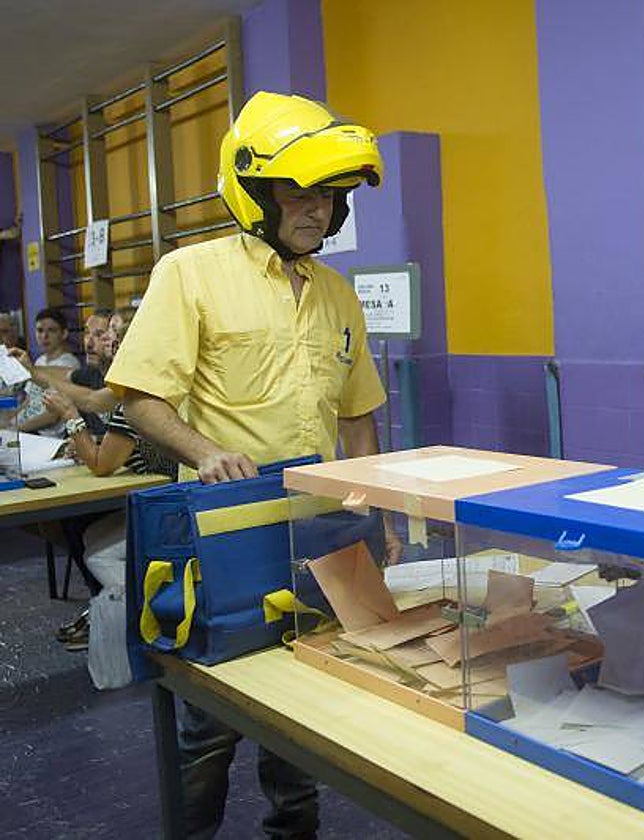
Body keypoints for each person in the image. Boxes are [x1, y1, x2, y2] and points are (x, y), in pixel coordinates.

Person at [105, 91, 388, 838]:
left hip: (313, 531)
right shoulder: (189, 273)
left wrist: (368, 513)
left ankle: (293, 832)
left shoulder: (337, 294)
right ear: (256, 192)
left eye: (329, 195)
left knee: (302, 713)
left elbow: (358, 415)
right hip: (221, 531)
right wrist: (205, 451)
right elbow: (137, 397)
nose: (318, 210)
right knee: (211, 722)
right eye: (300, 191)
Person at [44, 306, 175, 658]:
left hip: (169, 511)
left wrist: (72, 419)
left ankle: (135, 618)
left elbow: (102, 465)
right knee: (87, 534)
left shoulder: (136, 396)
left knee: (98, 554)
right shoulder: (138, 387)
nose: (107, 341)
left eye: (113, 335)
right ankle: (111, 610)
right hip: (161, 500)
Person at [18, 307, 81, 435]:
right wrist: (10, 421)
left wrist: (19, 428)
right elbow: (29, 399)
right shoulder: (39, 361)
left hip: (47, 435)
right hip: (27, 429)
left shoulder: (69, 364)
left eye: (51, 330)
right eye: (40, 330)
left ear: (64, 334)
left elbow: (54, 414)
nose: (44, 336)